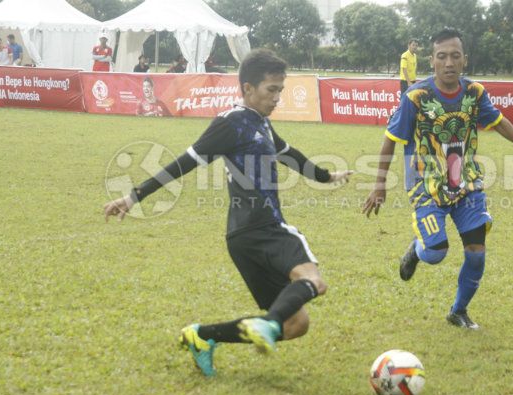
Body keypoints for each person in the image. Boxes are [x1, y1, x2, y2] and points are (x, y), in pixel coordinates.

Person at [103, 49, 353, 376]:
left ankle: (202, 336)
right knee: (314, 281)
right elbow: (184, 163)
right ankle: (267, 324)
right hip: (265, 229)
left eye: (281, 90)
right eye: (271, 90)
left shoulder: (260, 122)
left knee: (296, 324)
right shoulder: (231, 122)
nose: (277, 98)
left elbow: (290, 155)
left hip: (244, 237)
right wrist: (135, 195)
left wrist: (326, 176)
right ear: (248, 88)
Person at [362, 28, 513, 330]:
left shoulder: (474, 93)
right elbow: (390, 139)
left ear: (464, 59)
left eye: (455, 56)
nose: (449, 63)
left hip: (466, 183)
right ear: (433, 60)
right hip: (426, 185)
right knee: (437, 252)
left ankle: (458, 311)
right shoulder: (415, 97)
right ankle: (416, 250)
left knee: (477, 254)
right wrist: (378, 185)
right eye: (442, 57)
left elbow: (499, 122)